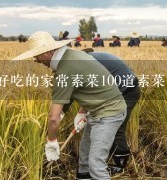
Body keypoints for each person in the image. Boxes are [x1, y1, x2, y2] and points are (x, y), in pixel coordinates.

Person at [12, 31, 127, 179]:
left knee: (96, 165)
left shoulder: (65, 70)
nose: (36, 60)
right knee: (84, 158)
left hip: (109, 115)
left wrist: (51, 142)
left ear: (48, 52)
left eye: (37, 55)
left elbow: (53, 117)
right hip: (98, 111)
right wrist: (82, 111)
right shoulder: (74, 56)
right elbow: (92, 87)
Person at [63, 51, 140, 175]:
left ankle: (120, 164)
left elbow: (92, 90)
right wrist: (82, 112)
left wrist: (60, 114)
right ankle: (96, 163)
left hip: (126, 91)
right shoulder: (92, 59)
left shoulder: (87, 64)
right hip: (123, 87)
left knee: (117, 126)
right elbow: (92, 92)